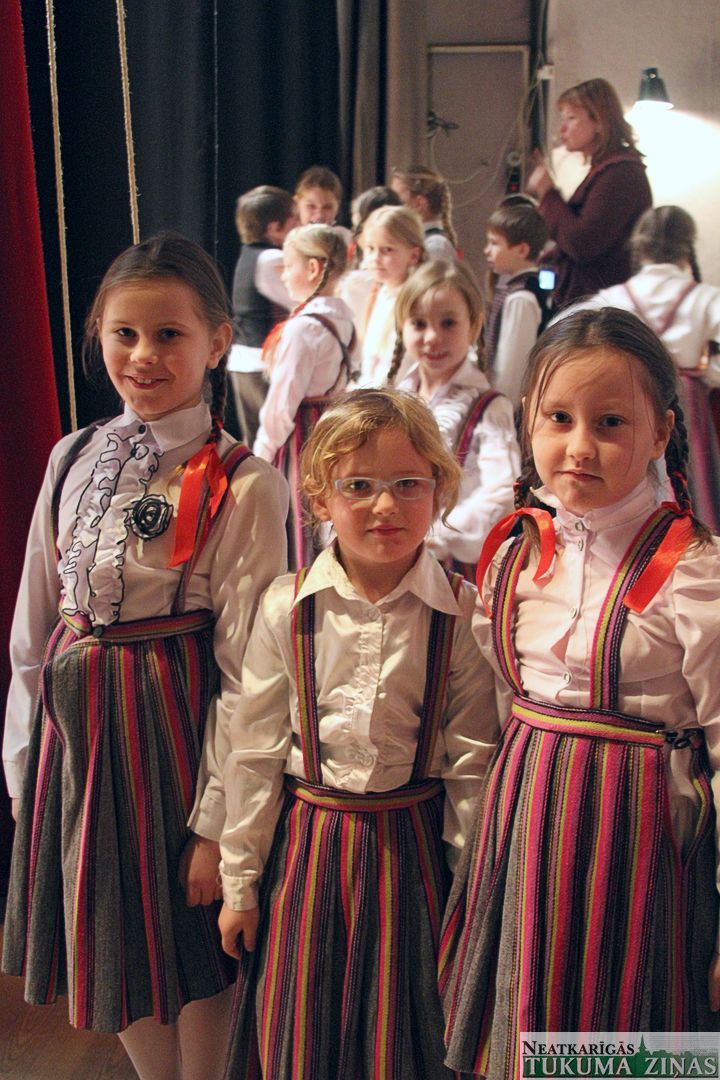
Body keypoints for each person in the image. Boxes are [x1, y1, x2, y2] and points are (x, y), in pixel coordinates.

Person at [1, 233, 289, 1080]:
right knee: (109, 933)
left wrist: (216, 824)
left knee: (190, 941)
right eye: (124, 334)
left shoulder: (246, 482)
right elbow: (33, 626)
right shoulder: (71, 456)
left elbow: (251, 671)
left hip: (173, 735)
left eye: (169, 334)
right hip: (76, 743)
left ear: (217, 341)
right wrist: (22, 761)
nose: (143, 355)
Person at [440, 308, 720, 1079]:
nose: (580, 446)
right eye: (558, 418)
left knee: (624, 1049)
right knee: (523, 1034)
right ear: (529, 421)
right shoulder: (513, 556)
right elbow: (493, 709)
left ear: (661, 432)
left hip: (642, 855)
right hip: (525, 838)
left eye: (610, 422)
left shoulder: (696, 572)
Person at [218, 387, 499, 1079]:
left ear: (439, 491)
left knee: (407, 1038)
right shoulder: (286, 606)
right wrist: (240, 885)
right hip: (307, 854)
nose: (385, 505)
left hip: (413, 856)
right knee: (302, 1031)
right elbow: (252, 754)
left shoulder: (461, 614)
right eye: (359, 486)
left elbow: (471, 768)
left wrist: (471, 902)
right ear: (320, 499)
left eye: (409, 484)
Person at [559, 206, 720, 532]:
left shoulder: (613, 297)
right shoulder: (706, 298)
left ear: (640, 245)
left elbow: (563, 337)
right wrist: (707, 373)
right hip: (688, 401)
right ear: (686, 245)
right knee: (694, 481)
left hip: (625, 401)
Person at [395, 260, 519, 579]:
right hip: (395, 555)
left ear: (473, 325)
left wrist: (439, 534)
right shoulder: (398, 396)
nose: (432, 337)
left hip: (450, 566)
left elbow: (502, 492)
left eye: (448, 323)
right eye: (419, 324)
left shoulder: (488, 407)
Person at [254, 223, 355, 568]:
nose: (283, 277)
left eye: (288, 266)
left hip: (301, 436)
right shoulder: (343, 317)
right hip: (332, 427)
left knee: (299, 518)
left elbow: (281, 404)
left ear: (313, 268)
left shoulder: (303, 328)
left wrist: (262, 454)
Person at [526, 77, 652, 309]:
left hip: (601, 307)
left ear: (599, 121)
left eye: (571, 118)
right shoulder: (609, 170)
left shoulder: (620, 174)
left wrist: (548, 193)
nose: (562, 128)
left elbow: (582, 243)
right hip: (594, 301)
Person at [229, 184, 296, 446]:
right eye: (294, 220)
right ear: (275, 228)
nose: (299, 225)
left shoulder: (249, 255)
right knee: (272, 443)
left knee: (257, 441)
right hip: (261, 364)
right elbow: (299, 300)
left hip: (246, 361)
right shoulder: (270, 258)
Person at [344, 205, 425, 387]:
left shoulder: (417, 302)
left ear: (413, 255)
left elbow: (401, 367)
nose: (375, 258)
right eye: (370, 249)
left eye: (387, 249)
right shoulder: (381, 293)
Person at [483, 201, 553, 408]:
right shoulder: (519, 288)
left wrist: (500, 407)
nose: (487, 250)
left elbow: (511, 371)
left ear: (521, 250)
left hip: (509, 409)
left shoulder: (521, 299)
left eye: (494, 243)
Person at [390, 164, 459, 261]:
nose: (390, 207)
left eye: (397, 201)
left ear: (418, 203)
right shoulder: (415, 241)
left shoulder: (435, 247)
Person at [294, 165, 352, 245]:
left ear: (337, 208)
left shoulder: (344, 239)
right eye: (311, 206)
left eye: (327, 207)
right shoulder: (289, 240)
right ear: (296, 203)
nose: (319, 215)